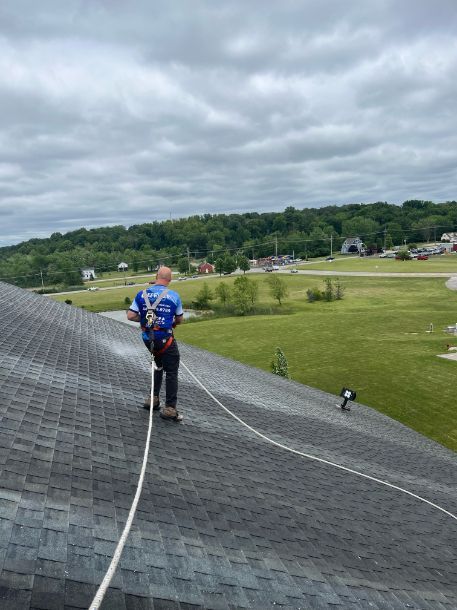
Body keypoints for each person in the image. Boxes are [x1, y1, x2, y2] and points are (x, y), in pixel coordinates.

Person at [127, 266, 184, 422]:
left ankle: (153, 399)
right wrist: (168, 321)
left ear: (156, 276)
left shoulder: (142, 294)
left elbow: (131, 315)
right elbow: (179, 319)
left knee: (158, 366)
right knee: (171, 371)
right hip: (165, 339)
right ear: (169, 280)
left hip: (148, 339)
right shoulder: (173, 296)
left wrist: (147, 320)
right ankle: (170, 408)